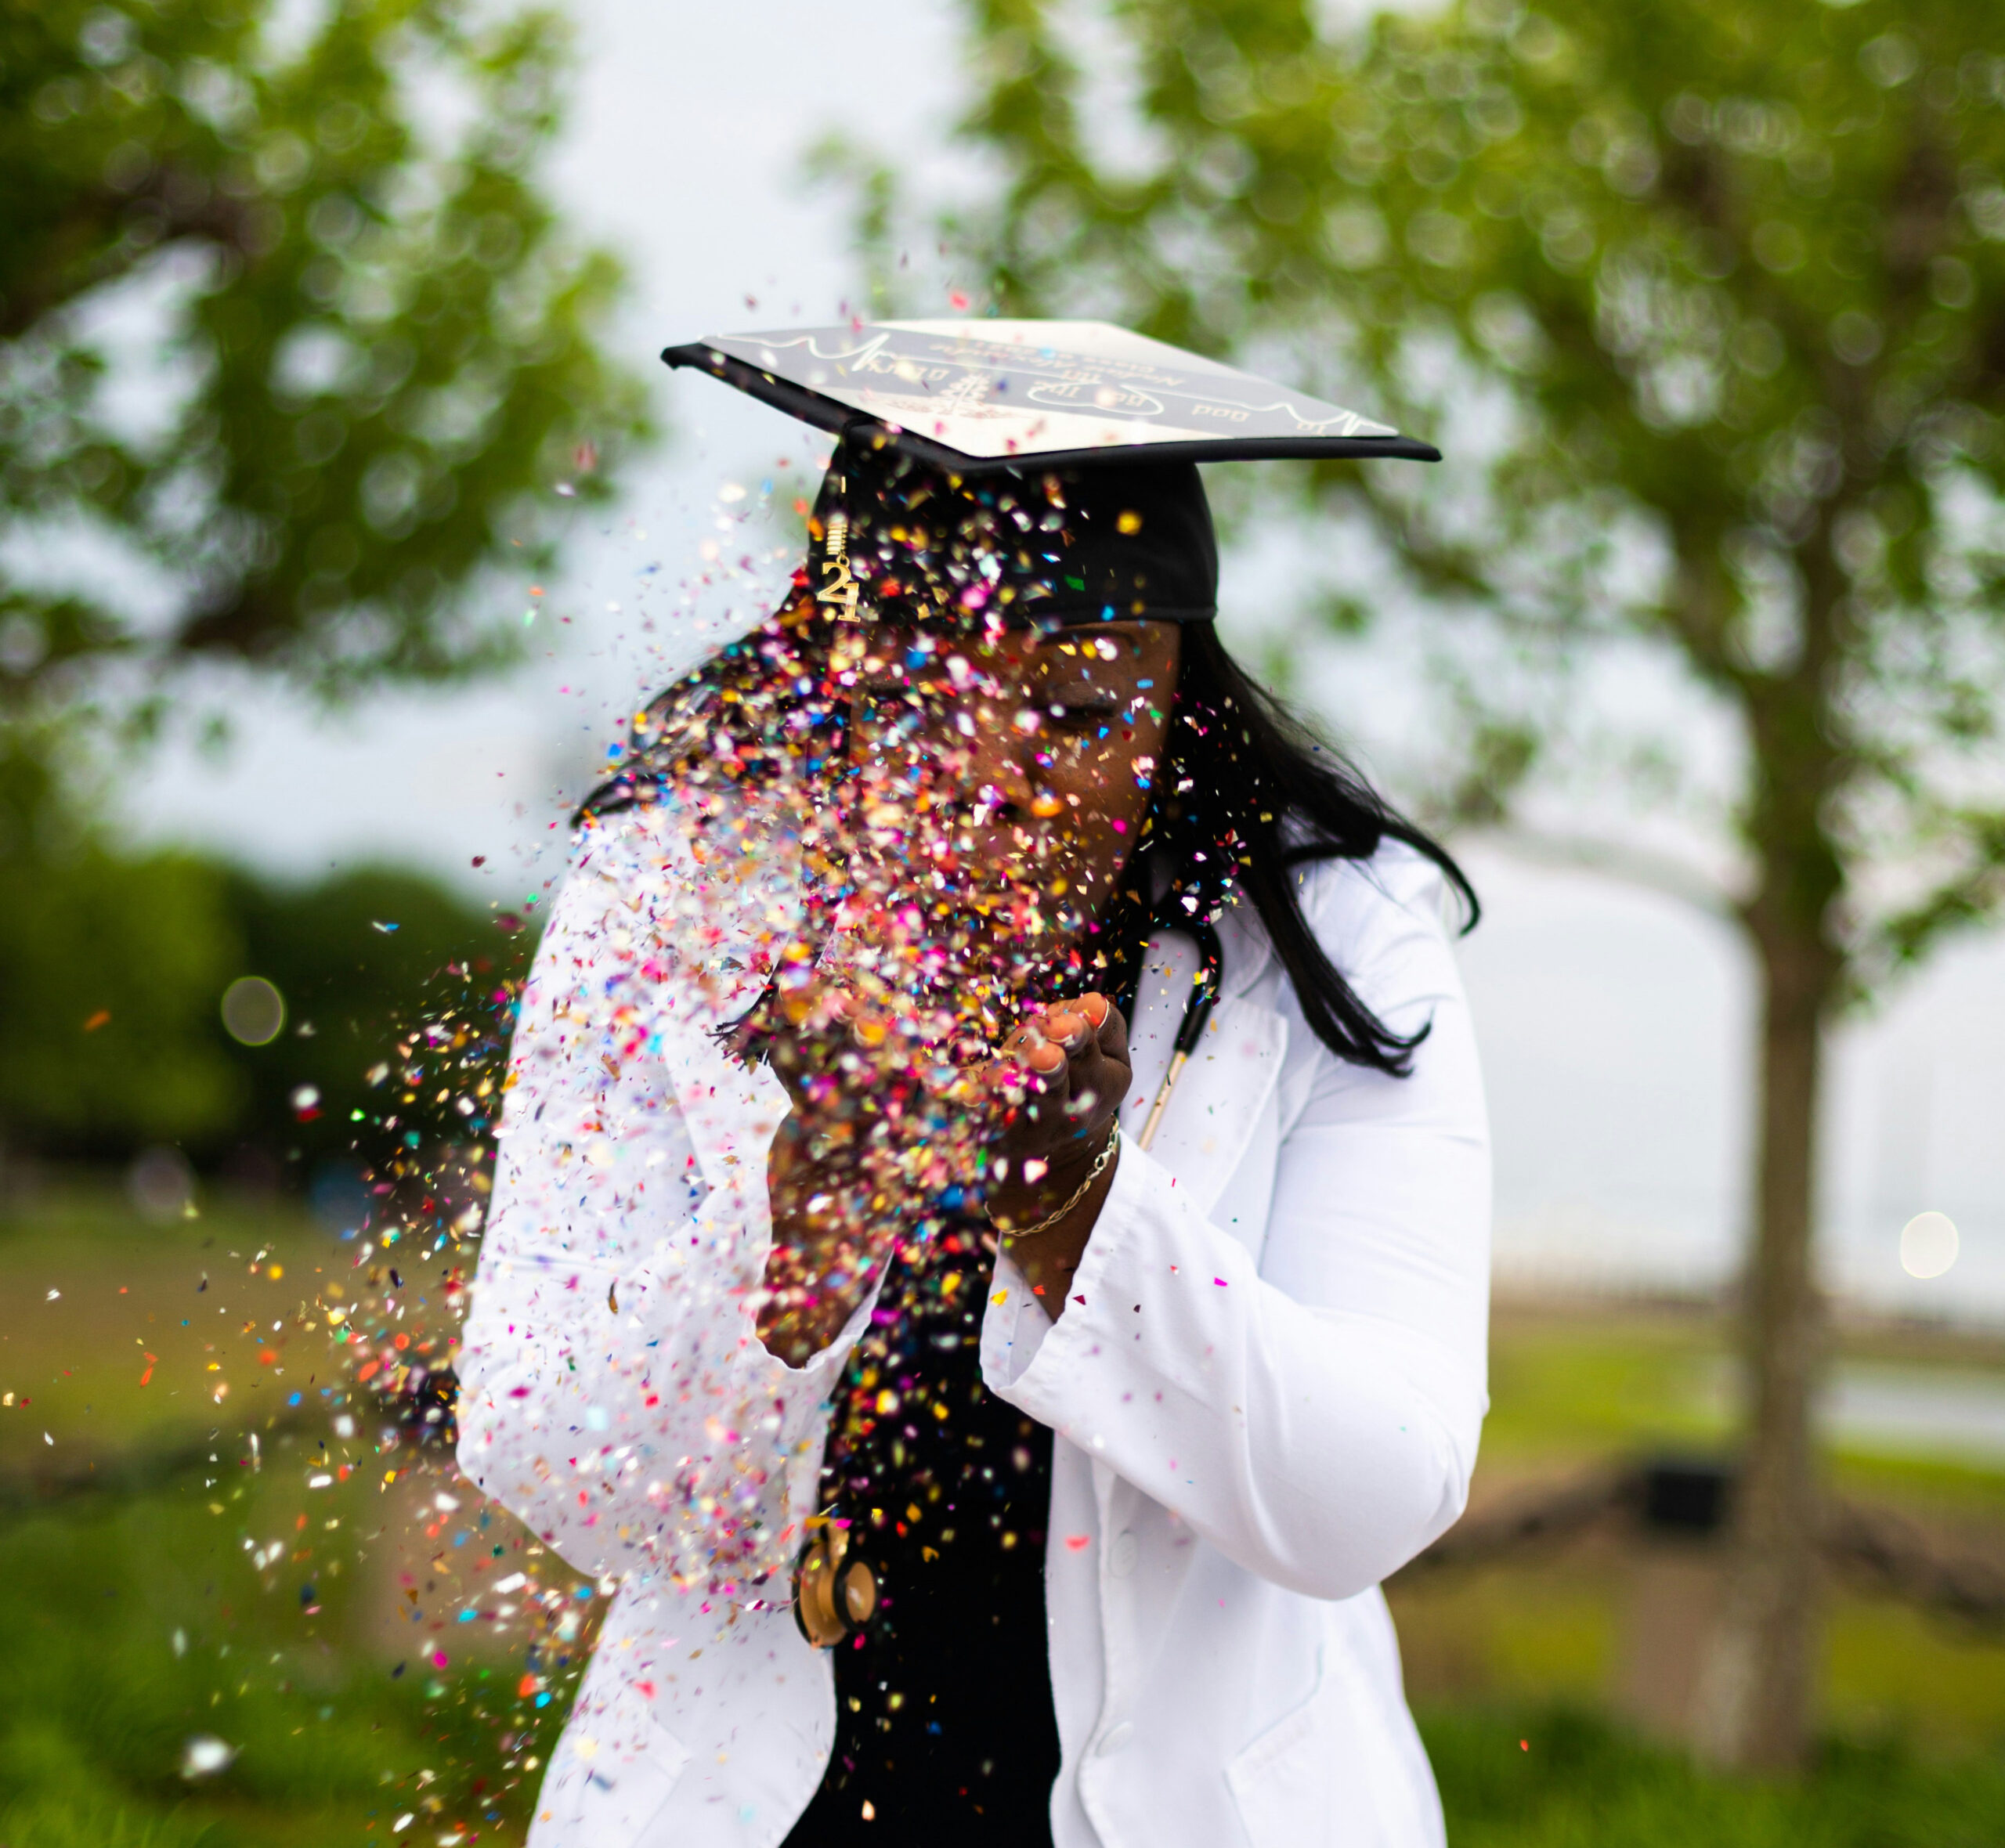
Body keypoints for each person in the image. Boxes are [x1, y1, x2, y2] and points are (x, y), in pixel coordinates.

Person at [454, 321, 1491, 1848]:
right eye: (928, 697)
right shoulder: (674, 888)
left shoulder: (1331, 928)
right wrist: (787, 1255)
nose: (996, 769)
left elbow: (1368, 1493)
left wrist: (1080, 1215)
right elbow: (549, 1462)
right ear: (836, 670)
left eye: (1078, 713)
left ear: (1172, 708)